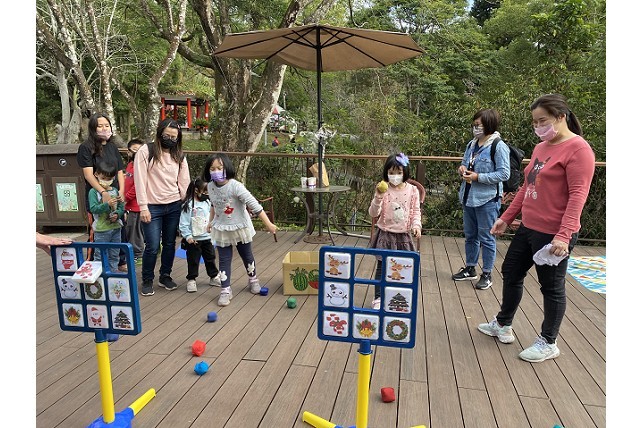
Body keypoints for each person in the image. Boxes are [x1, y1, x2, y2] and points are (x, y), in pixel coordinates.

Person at [477, 94, 595, 363]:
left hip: (554, 232)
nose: (538, 126)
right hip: (529, 226)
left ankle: (548, 341)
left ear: (561, 116)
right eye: (535, 122)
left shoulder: (579, 150)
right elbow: (527, 186)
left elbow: (578, 195)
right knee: (511, 271)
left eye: (543, 120)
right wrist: (507, 217)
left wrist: (564, 235)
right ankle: (503, 323)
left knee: (551, 287)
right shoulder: (542, 147)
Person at [201, 153, 278, 306]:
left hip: (240, 227)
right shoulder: (210, 186)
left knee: (247, 256)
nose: (216, 171)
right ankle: (225, 289)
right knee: (224, 259)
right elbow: (214, 205)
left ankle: (253, 279)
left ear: (227, 168)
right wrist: (210, 222)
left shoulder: (236, 186)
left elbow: (254, 205)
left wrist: (268, 224)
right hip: (222, 228)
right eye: (212, 169)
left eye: (219, 168)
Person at [452, 109, 510, 290]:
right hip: (468, 196)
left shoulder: (498, 146)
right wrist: (462, 169)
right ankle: (470, 268)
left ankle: (487, 274)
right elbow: (464, 162)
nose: (475, 127)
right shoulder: (472, 144)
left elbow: (504, 174)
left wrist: (478, 177)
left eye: (478, 124)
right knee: (470, 236)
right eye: (474, 124)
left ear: (489, 124)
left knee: (487, 238)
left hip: (487, 199)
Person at [134, 118, 191, 296]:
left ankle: (165, 275)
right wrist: (143, 207)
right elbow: (139, 179)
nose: (170, 139)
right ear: (159, 133)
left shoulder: (179, 155)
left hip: (174, 204)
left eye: (174, 137)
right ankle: (147, 279)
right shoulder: (146, 151)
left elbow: (184, 181)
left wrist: (187, 204)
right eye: (167, 135)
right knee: (152, 245)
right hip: (152, 206)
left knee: (169, 243)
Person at [368, 152, 422, 310]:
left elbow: (415, 211)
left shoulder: (413, 191)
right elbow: (373, 213)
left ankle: (399, 297)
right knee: (381, 268)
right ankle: (378, 298)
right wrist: (378, 197)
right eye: (391, 172)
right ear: (386, 172)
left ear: (405, 172)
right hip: (385, 235)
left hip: (403, 236)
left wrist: (416, 226)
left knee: (402, 269)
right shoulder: (383, 189)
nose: (395, 176)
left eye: (399, 172)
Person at [179, 178, 222, 293]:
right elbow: (183, 223)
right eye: (205, 191)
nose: (207, 194)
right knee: (193, 260)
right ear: (196, 190)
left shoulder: (208, 203)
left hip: (207, 238)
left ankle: (213, 276)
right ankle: (191, 279)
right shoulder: (188, 205)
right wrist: (188, 236)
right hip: (194, 240)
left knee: (210, 258)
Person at [88, 160, 125, 272]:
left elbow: (121, 207)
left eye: (109, 179)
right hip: (101, 229)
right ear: (96, 174)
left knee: (114, 254)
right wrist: (107, 205)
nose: (106, 181)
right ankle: (100, 276)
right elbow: (93, 209)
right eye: (103, 178)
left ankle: (113, 275)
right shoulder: (93, 192)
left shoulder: (115, 190)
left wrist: (117, 214)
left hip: (116, 228)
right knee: (100, 255)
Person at [124, 139, 145, 262]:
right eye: (135, 150)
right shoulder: (130, 165)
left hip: (136, 205)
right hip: (129, 205)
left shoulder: (140, 167)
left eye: (140, 150)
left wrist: (126, 197)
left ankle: (138, 254)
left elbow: (137, 186)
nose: (137, 153)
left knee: (135, 232)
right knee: (131, 229)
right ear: (129, 152)